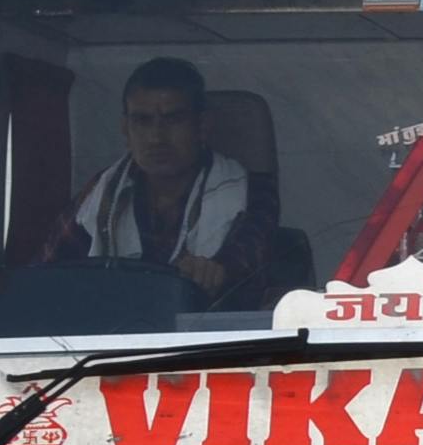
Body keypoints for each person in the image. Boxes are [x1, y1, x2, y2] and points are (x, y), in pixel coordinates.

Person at [44, 55, 278, 308]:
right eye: (142, 121)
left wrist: (212, 271)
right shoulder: (102, 193)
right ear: (126, 129)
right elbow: (47, 274)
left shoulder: (251, 191)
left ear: (201, 125)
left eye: (173, 120)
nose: (156, 137)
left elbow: (244, 259)